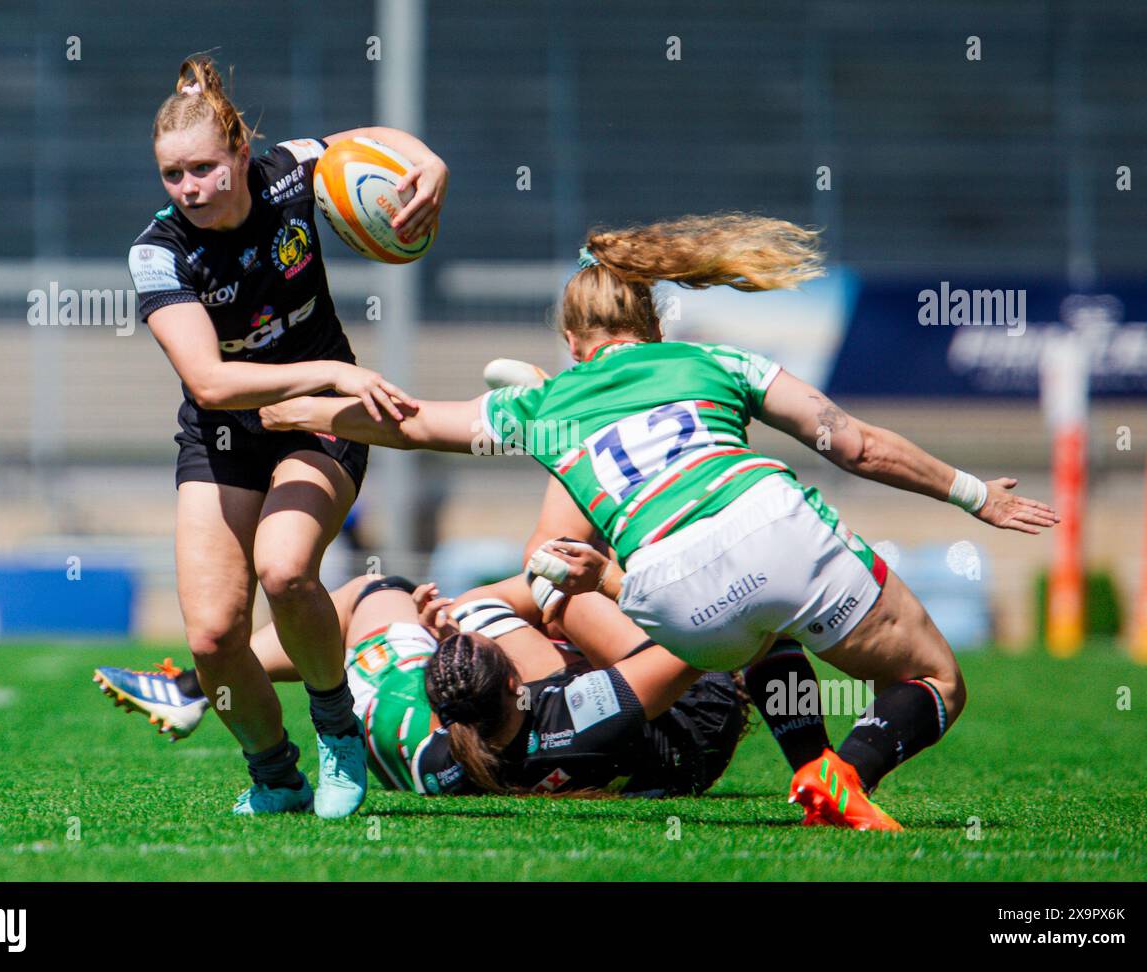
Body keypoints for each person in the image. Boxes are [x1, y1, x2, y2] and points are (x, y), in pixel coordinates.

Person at [255, 212, 1060, 829]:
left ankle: (810, 766)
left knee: (762, 633)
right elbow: (852, 444)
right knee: (933, 680)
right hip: (773, 525)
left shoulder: (540, 402)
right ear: (652, 325)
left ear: (573, 344)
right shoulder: (713, 360)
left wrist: (279, 404)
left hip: (672, 600)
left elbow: (403, 422)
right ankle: (845, 771)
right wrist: (972, 495)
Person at [126, 54, 447, 817]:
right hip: (227, 430)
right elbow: (209, 381)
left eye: (204, 168)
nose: (190, 188)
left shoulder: (291, 173)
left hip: (321, 422)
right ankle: (274, 773)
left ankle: (337, 728)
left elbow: (365, 141)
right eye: (173, 176)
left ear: (241, 153)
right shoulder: (158, 251)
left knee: (286, 568)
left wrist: (429, 164)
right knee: (210, 637)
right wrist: (329, 373)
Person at [93, 571, 771, 798]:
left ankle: (194, 683)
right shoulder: (576, 711)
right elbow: (691, 649)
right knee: (560, 582)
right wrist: (608, 577)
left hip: (628, 748)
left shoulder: (436, 749)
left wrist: (434, 627)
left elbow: (361, 630)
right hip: (692, 723)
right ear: (517, 681)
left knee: (377, 591)